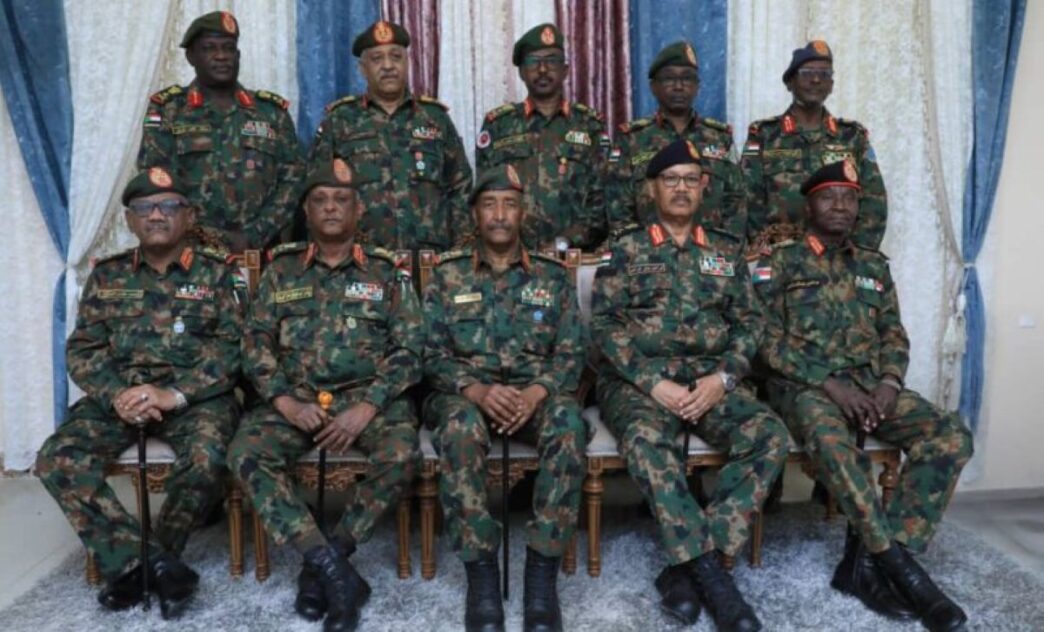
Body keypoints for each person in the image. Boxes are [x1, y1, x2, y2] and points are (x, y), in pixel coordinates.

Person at [752, 160, 972, 632]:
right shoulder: (781, 262)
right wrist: (829, 383)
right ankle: (902, 571)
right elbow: (763, 339)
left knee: (950, 435)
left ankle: (869, 560)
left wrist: (889, 382)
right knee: (835, 445)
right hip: (806, 386)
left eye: (849, 197)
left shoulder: (873, 265)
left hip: (872, 384)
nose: (840, 205)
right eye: (828, 196)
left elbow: (893, 333)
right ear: (809, 205)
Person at [591, 140, 788, 631]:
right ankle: (715, 580)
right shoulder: (626, 248)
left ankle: (685, 569)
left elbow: (750, 324)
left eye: (690, 179)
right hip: (639, 384)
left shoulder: (726, 249)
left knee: (768, 436)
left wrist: (724, 378)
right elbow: (605, 326)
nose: (680, 188)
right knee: (646, 442)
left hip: (710, 380)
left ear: (703, 187)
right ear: (652, 189)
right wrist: (652, 382)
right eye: (670, 179)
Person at [35, 167, 243, 619]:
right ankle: (154, 565)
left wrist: (174, 394)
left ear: (189, 216)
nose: (156, 215)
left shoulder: (218, 275)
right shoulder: (107, 276)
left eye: (168, 206)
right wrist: (117, 394)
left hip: (194, 400)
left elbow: (234, 351)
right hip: (121, 398)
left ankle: (144, 565)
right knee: (57, 457)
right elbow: (83, 350)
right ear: (129, 220)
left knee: (208, 457)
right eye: (144, 208)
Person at [228, 159, 423, 632]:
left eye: (341, 199)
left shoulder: (386, 272)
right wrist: (284, 402)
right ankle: (330, 567)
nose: (331, 208)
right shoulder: (281, 270)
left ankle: (335, 553)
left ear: (359, 209)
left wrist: (369, 406)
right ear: (306, 211)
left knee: (401, 453)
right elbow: (254, 342)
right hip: (295, 398)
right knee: (245, 453)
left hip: (367, 399)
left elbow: (411, 347)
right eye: (320, 200)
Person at [422, 165, 586, 632]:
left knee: (568, 425)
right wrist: (475, 389)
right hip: (464, 395)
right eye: (489, 205)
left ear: (523, 213)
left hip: (534, 394)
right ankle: (481, 578)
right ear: (475, 214)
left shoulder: (552, 277)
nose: (499, 215)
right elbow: (427, 353)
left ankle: (541, 577)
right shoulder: (448, 276)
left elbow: (572, 353)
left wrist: (536, 392)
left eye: (509, 205)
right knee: (459, 430)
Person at [137, 11, 303, 252]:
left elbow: (293, 181)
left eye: (228, 48)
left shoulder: (271, 113)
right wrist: (205, 237)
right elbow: (156, 182)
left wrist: (254, 235)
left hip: (261, 252)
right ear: (191, 56)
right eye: (209, 49)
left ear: (238, 55)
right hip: (190, 252)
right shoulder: (169, 110)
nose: (221, 56)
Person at [308, 20, 472, 254]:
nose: (387, 66)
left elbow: (460, 188)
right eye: (377, 59)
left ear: (407, 62)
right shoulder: (340, 121)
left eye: (396, 57)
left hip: (429, 260)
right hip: (362, 260)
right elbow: (315, 193)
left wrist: (456, 256)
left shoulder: (435, 119)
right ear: (362, 69)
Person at [741, 40, 887, 252]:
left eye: (824, 74)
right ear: (790, 82)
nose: (816, 79)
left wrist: (854, 256)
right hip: (781, 256)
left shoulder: (852, 137)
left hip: (839, 258)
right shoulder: (763, 135)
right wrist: (768, 252)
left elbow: (875, 203)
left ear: (831, 85)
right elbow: (747, 199)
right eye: (807, 73)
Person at [476, 23, 608, 252]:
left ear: (565, 70)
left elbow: (603, 201)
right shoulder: (498, 125)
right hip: (511, 258)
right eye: (533, 62)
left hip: (573, 257)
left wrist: (564, 243)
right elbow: (486, 198)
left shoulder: (589, 126)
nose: (543, 69)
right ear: (521, 72)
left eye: (552, 61)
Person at [608, 40, 746, 247]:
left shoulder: (719, 138)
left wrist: (724, 249)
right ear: (653, 87)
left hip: (710, 254)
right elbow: (618, 207)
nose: (679, 86)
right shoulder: (632, 139)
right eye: (669, 78)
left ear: (697, 86)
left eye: (687, 78)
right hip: (647, 255)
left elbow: (736, 202)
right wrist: (635, 250)